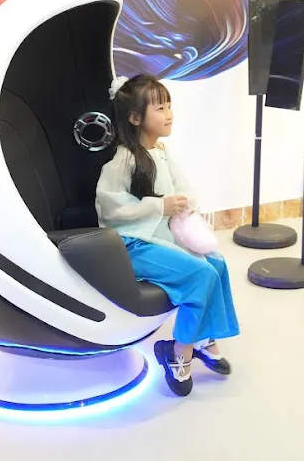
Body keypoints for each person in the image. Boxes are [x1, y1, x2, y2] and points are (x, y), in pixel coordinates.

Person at [96, 72, 239, 397]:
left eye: (169, 106)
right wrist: (160, 206)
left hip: (158, 237)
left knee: (216, 263)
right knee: (201, 274)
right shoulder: (124, 159)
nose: (169, 114)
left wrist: (186, 204)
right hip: (133, 244)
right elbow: (110, 206)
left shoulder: (160, 151)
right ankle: (178, 353)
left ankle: (202, 337)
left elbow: (182, 186)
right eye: (159, 109)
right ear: (135, 118)